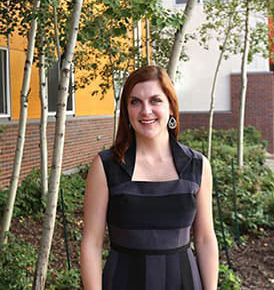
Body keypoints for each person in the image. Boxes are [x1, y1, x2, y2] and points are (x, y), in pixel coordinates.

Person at [80, 65, 219, 290]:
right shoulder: (105, 166)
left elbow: (205, 239)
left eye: (155, 100)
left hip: (184, 282)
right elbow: (91, 243)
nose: (146, 111)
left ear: (171, 108)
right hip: (123, 281)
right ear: (127, 111)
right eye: (135, 102)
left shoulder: (197, 165)